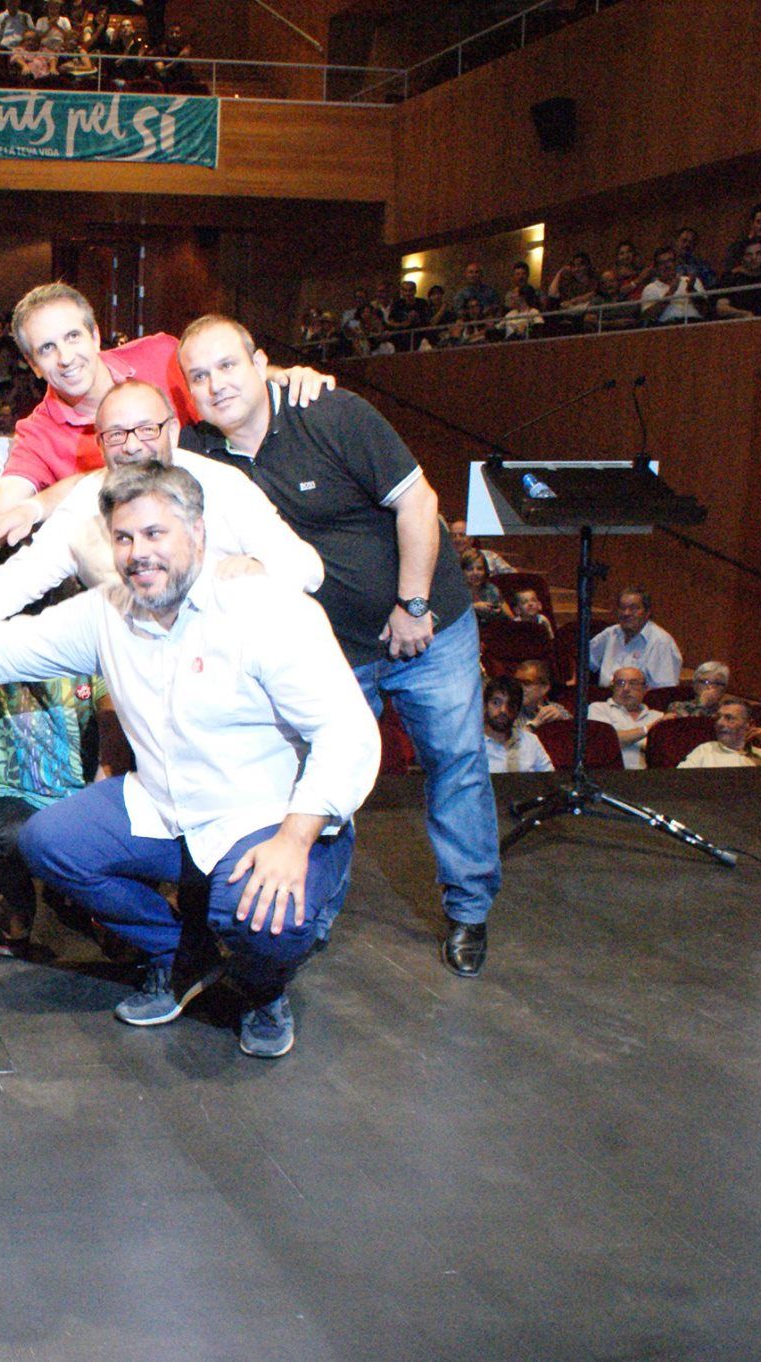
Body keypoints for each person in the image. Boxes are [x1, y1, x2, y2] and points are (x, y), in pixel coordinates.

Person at [0, 463, 379, 1058]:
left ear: (199, 533)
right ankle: (182, 955)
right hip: (164, 806)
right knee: (47, 842)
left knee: (262, 919)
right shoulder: (107, 611)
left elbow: (348, 733)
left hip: (268, 817)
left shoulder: (265, 608)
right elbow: (0, 649)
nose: (139, 553)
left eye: (156, 533)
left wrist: (294, 839)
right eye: (124, 537)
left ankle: (263, 988)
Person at [174, 314, 498, 979]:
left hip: (427, 627)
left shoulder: (331, 413)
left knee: (456, 763)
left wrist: (413, 606)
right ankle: (313, 913)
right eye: (199, 376)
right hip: (331, 649)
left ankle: (469, 908)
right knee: (323, 783)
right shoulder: (199, 453)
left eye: (228, 366)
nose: (216, 384)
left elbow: (418, 504)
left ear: (260, 363)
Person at [0, 284, 329, 643]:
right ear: (33, 365)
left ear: (96, 336)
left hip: (249, 538)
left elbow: (222, 374)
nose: (65, 357)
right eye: (47, 348)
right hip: (145, 606)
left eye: (73, 337)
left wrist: (279, 375)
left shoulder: (161, 357)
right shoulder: (41, 436)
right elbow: (2, 524)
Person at [0, 378, 325, 635]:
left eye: (146, 429)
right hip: (142, 671)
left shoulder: (224, 484)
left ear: (172, 431)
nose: (133, 446)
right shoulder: (85, 500)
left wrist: (259, 571)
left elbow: (307, 566)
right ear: (101, 445)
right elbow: (18, 579)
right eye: (116, 434)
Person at [586, 587, 682, 687]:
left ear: (647, 612)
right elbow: (584, 660)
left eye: (634, 608)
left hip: (638, 697)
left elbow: (663, 691)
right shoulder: (611, 633)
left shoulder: (661, 642)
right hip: (604, 695)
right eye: (622, 608)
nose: (626, 613)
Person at [587, 666, 662, 770]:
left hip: (652, 776)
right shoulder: (599, 709)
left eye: (633, 683)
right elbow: (605, 742)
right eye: (620, 683)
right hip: (611, 775)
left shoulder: (657, 716)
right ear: (612, 687)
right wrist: (649, 729)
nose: (626, 688)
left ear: (645, 689)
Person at [482, 675, 553, 774]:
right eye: (496, 702)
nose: (503, 710)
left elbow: (549, 779)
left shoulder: (531, 742)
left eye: (510, 705)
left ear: (517, 710)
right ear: (485, 705)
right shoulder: (470, 743)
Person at [677, 697, 761, 769]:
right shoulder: (705, 750)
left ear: (749, 724)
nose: (719, 723)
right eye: (718, 717)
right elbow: (678, 781)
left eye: (729, 718)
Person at [511, 658, 568, 728]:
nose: (520, 687)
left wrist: (562, 721)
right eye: (517, 682)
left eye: (527, 683)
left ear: (544, 688)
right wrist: (534, 724)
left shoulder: (557, 709)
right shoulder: (508, 710)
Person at [667, 660, 731, 717]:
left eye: (717, 683)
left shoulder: (729, 710)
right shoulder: (678, 707)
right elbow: (693, 725)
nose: (710, 687)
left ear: (724, 689)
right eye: (705, 682)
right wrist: (702, 705)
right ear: (695, 685)